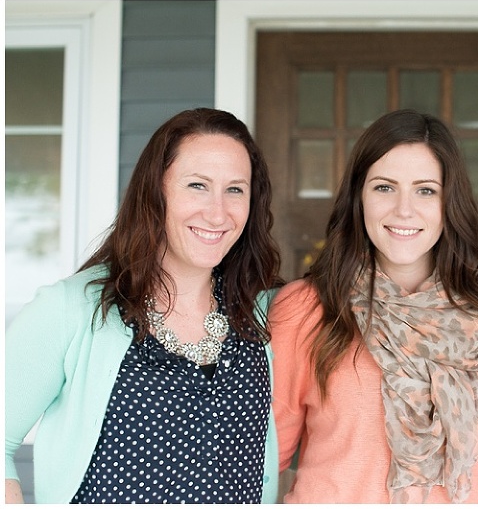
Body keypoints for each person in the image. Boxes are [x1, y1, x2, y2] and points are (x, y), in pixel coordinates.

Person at [5, 108, 284, 504]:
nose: (218, 212)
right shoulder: (72, 309)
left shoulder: (261, 312)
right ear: (156, 191)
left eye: (235, 189)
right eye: (197, 185)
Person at [268, 108, 478, 503]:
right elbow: (266, 458)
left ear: (448, 201)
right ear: (359, 197)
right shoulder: (306, 308)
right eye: (384, 187)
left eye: (425, 190)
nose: (404, 210)